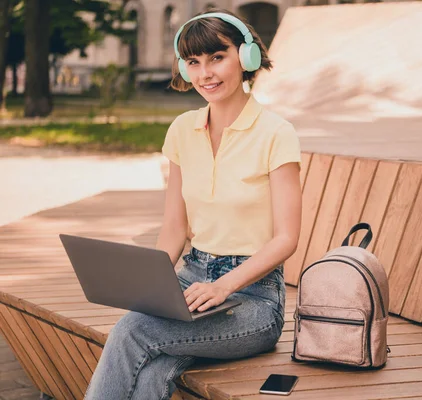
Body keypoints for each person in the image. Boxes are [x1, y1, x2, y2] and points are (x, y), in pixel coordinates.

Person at [84, 9, 302, 400]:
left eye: (217, 57)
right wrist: (148, 285)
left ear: (246, 57)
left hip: (253, 299)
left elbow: (287, 238)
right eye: (193, 62)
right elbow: (174, 229)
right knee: (153, 368)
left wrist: (223, 286)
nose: (206, 73)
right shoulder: (183, 130)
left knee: (133, 331)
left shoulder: (276, 134)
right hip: (189, 282)